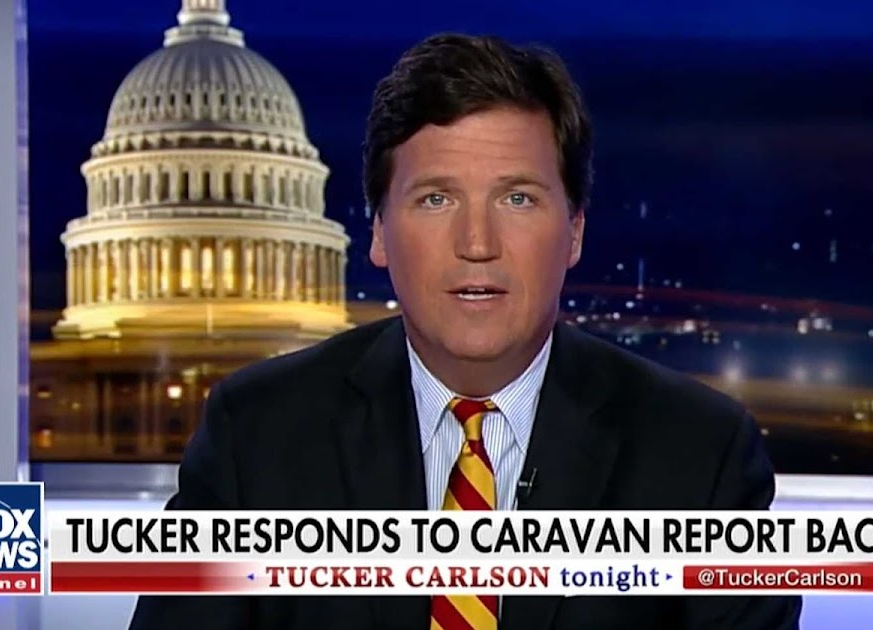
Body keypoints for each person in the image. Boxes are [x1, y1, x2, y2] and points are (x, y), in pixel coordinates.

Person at [129, 32, 802, 630]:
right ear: (379, 233)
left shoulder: (699, 453)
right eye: (435, 198)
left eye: (517, 198)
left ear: (574, 232)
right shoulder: (257, 434)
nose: (477, 243)